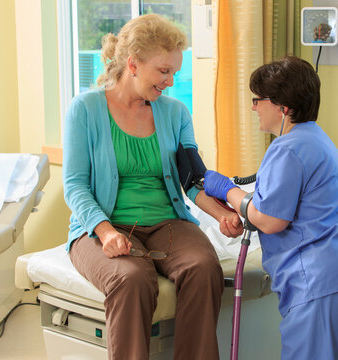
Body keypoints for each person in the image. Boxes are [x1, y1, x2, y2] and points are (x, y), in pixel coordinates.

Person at [62, 14, 243, 360]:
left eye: (175, 72)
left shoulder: (175, 113)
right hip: (102, 226)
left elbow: (193, 180)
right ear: (132, 64)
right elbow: (74, 185)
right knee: (131, 280)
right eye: (163, 72)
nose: (171, 81)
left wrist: (221, 215)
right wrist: (104, 232)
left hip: (166, 223)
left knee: (204, 268)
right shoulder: (84, 110)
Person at [203, 56, 338, 360]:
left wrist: (228, 190)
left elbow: (270, 220)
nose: (254, 107)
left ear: (283, 106)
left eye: (258, 100)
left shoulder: (286, 148)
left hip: (319, 285)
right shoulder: (319, 140)